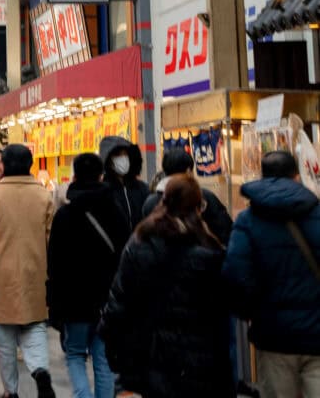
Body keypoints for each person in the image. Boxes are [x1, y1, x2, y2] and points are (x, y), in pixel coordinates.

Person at [100, 174, 234, 398]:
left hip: (148, 365)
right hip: (200, 368)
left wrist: (119, 359)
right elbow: (222, 313)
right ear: (199, 208)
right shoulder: (210, 251)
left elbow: (117, 308)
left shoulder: (139, 243)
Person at [222, 150, 320, 398]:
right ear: (297, 177)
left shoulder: (247, 221)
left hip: (274, 336)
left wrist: (253, 313)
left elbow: (234, 275)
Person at [0, 143, 56, 398]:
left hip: (2, 277)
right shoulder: (44, 196)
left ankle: (11, 390)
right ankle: (40, 370)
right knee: (35, 328)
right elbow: (50, 240)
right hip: (36, 274)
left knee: (5, 337)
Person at [47, 152, 128, 398]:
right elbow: (126, 256)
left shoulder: (64, 216)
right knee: (103, 360)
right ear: (101, 175)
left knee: (75, 355)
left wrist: (55, 305)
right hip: (106, 301)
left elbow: (55, 265)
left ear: (74, 176)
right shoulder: (115, 212)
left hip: (74, 302)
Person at [143, 148, 233, 244]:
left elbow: (145, 238)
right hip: (200, 257)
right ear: (189, 171)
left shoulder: (151, 202)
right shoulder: (204, 198)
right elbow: (225, 231)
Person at [99, 135, 148, 234]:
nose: (123, 158)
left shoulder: (142, 188)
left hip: (139, 245)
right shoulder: (102, 192)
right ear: (108, 160)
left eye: (126, 154)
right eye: (117, 155)